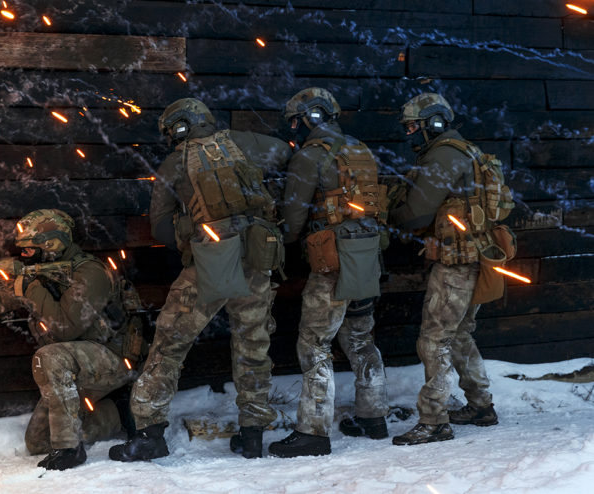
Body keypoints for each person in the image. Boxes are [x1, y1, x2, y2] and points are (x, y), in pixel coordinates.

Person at [108, 98, 291, 461]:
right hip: (258, 255)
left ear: (179, 127)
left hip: (211, 258)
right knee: (253, 344)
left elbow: (160, 224)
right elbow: (285, 153)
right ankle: (252, 434)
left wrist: (189, 224)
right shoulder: (246, 141)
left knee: (169, 342)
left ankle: (149, 433)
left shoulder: (176, 162)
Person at [0, 209, 135, 470]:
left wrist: (31, 288)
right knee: (38, 441)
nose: (23, 255)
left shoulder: (90, 273)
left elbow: (67, 329)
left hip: (113, 359)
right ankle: (120, 413)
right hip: (71, 368)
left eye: (30, 249)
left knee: (49, 356)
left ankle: (69, 450)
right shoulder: (38, 272)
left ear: (53, 244)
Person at [267, 88, 388, 458]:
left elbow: (292, 220)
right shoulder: (360, 149)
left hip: (332, 261)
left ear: (307, 119)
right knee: (360, 337)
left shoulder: (309, 157)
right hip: (368, 254)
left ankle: (313, 432)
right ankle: (374, 418)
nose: (294, 129)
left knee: (315, 343)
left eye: (295, 122)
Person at [390, 93, 498, 446]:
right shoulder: (470, 151)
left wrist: (393, 211)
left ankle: (434, 421)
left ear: (432, 123)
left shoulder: (443, 154)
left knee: (433, 340)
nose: (410, 134)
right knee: (461, 334)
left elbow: (417, 213)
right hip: (478, 259)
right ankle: (481, 406)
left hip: (455, 264)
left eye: (413, 127)